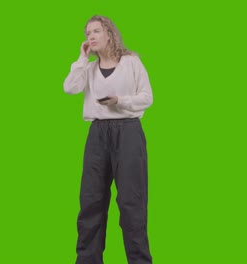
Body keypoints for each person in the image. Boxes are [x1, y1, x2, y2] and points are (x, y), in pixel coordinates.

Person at [63, 15, 153, 264]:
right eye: (87, 33)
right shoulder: (88, 68)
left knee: (131, 202)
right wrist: (82, 58)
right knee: (91, 199)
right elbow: (70, 88)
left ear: (109, 34)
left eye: (95, 31)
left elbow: (147, 97)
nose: (90, 36)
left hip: (128, 132)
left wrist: (120, 101)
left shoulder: (131, 62)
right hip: (98, 134)